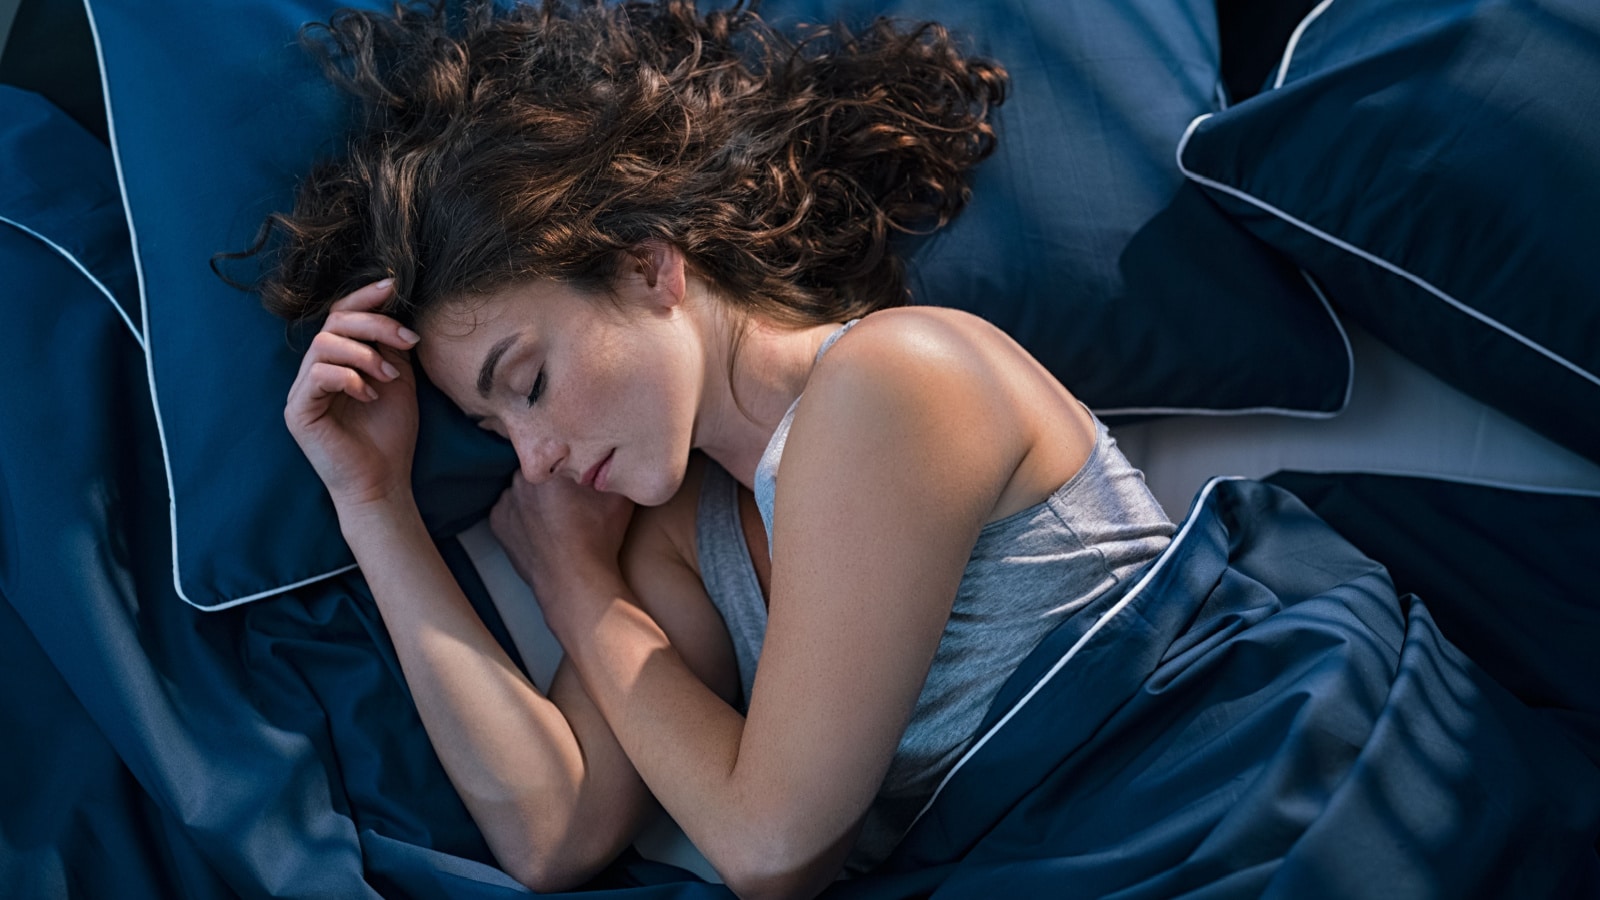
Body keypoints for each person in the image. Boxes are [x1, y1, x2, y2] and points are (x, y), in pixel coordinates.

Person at [253, 1, 1175, 896]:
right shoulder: (688, 535)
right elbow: (551, 832)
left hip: (1205, 799)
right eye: (495, 431)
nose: (533, 461)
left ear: (649, 266)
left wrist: (578, 589)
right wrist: (373, 505)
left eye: (528, 383)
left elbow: (773, 852)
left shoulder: (895, 379)